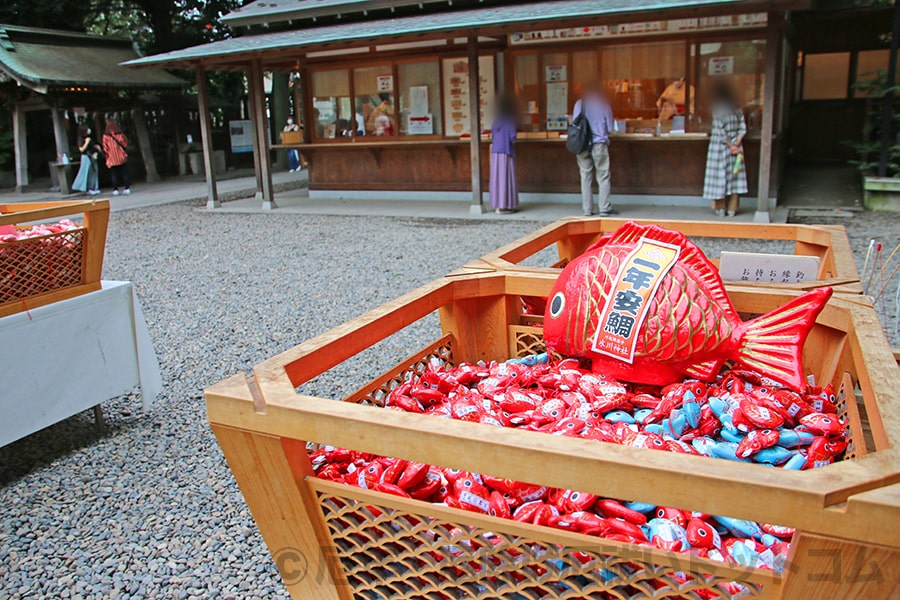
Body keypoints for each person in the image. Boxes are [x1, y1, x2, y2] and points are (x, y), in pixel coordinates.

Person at [703, 80, 748, 217]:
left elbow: (719, 131)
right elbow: (743, 127)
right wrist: (736, 144)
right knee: (735, 178)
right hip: (737, 147)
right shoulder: (737, 108)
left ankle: (720, 208)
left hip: (720, 148)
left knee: (719, 178)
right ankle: (732, 208)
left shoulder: (717, 108)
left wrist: (730, 145)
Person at [572, 83, 616, 217]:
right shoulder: (604, 105)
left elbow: (575, 124)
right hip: (599, 144)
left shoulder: (579, 104)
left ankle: (587, 209)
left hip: (582, 145)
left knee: (585, 176)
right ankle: (604, 208)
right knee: (603, 176)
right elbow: (610, 128)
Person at [489, 94, 519, 214]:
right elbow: (512, 137)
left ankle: (497, 205)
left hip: (495, 152)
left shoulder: (496, 121)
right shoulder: (510, 120)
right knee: (506, 178)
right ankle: (506, 205)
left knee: (497, 179)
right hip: (506, 151)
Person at [102, 119, 131, 195]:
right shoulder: (120, 134)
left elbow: (105, 148)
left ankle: (115, 189)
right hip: (121, 157)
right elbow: (125, 143)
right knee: (124, 173)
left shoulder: (105, 136)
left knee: (114, 174)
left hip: (112, 158)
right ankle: (127, 188)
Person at [72, 124, 100, 195]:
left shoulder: (89, 138)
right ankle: (88, 188)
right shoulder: (81, 139)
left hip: (92, 156)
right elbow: (81, 149)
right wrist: (87, 143)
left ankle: (94, 187)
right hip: (86, 157)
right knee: (87, 172)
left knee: (94, 172)